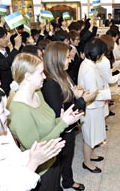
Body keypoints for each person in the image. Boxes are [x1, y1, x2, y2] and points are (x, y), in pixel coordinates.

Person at [8, 53, 83, 191]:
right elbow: (36, 148)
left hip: (53, 159)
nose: (44, 76)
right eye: (41, 73)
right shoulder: (19, 110)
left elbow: (48, 123)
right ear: (28, 76)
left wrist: (63, 118)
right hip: (40, 170)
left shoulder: (38, 93)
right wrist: (63, 123)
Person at [42, 42, 97, 190]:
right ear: (57, 58)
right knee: (61, 160)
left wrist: (76, 94)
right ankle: (64, 182)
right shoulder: (50, 83)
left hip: (69, 127)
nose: (70, 60)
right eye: (67, 57)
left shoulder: (62, 74)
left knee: (68, 157)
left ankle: (68, 180)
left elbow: (66, 98)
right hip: (61, 129)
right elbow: (58, 113)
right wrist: (81, 100)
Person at [78, 38, 120, 173]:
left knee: (94, 134)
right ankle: (87, 162)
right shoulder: (89, 69)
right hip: (91, 108)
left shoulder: (88, 63)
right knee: (89, 136)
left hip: (94, 108)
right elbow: (94, 94)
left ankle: (91, 155)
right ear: (98, 55)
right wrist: (112, 91)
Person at [0, 26, 22, 95]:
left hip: (15, 85)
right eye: (3, 38)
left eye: (6, 36)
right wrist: (16, 47)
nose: (6, 39)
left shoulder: (8, 50)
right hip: (3, 89)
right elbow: (4, 65)